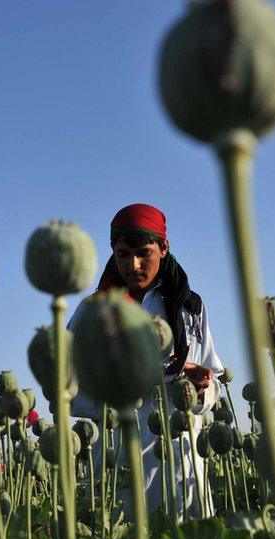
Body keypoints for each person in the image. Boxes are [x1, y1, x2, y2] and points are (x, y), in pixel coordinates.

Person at [70, 203, 224, 520]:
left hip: (182, 461)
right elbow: (68, 390)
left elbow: (215, 380)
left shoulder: (190, 308)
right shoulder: (92, 312)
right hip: (117, 462)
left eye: (144, 253)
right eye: (123, 254)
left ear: (163, 248)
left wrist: (199, 390)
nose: (134, 264)